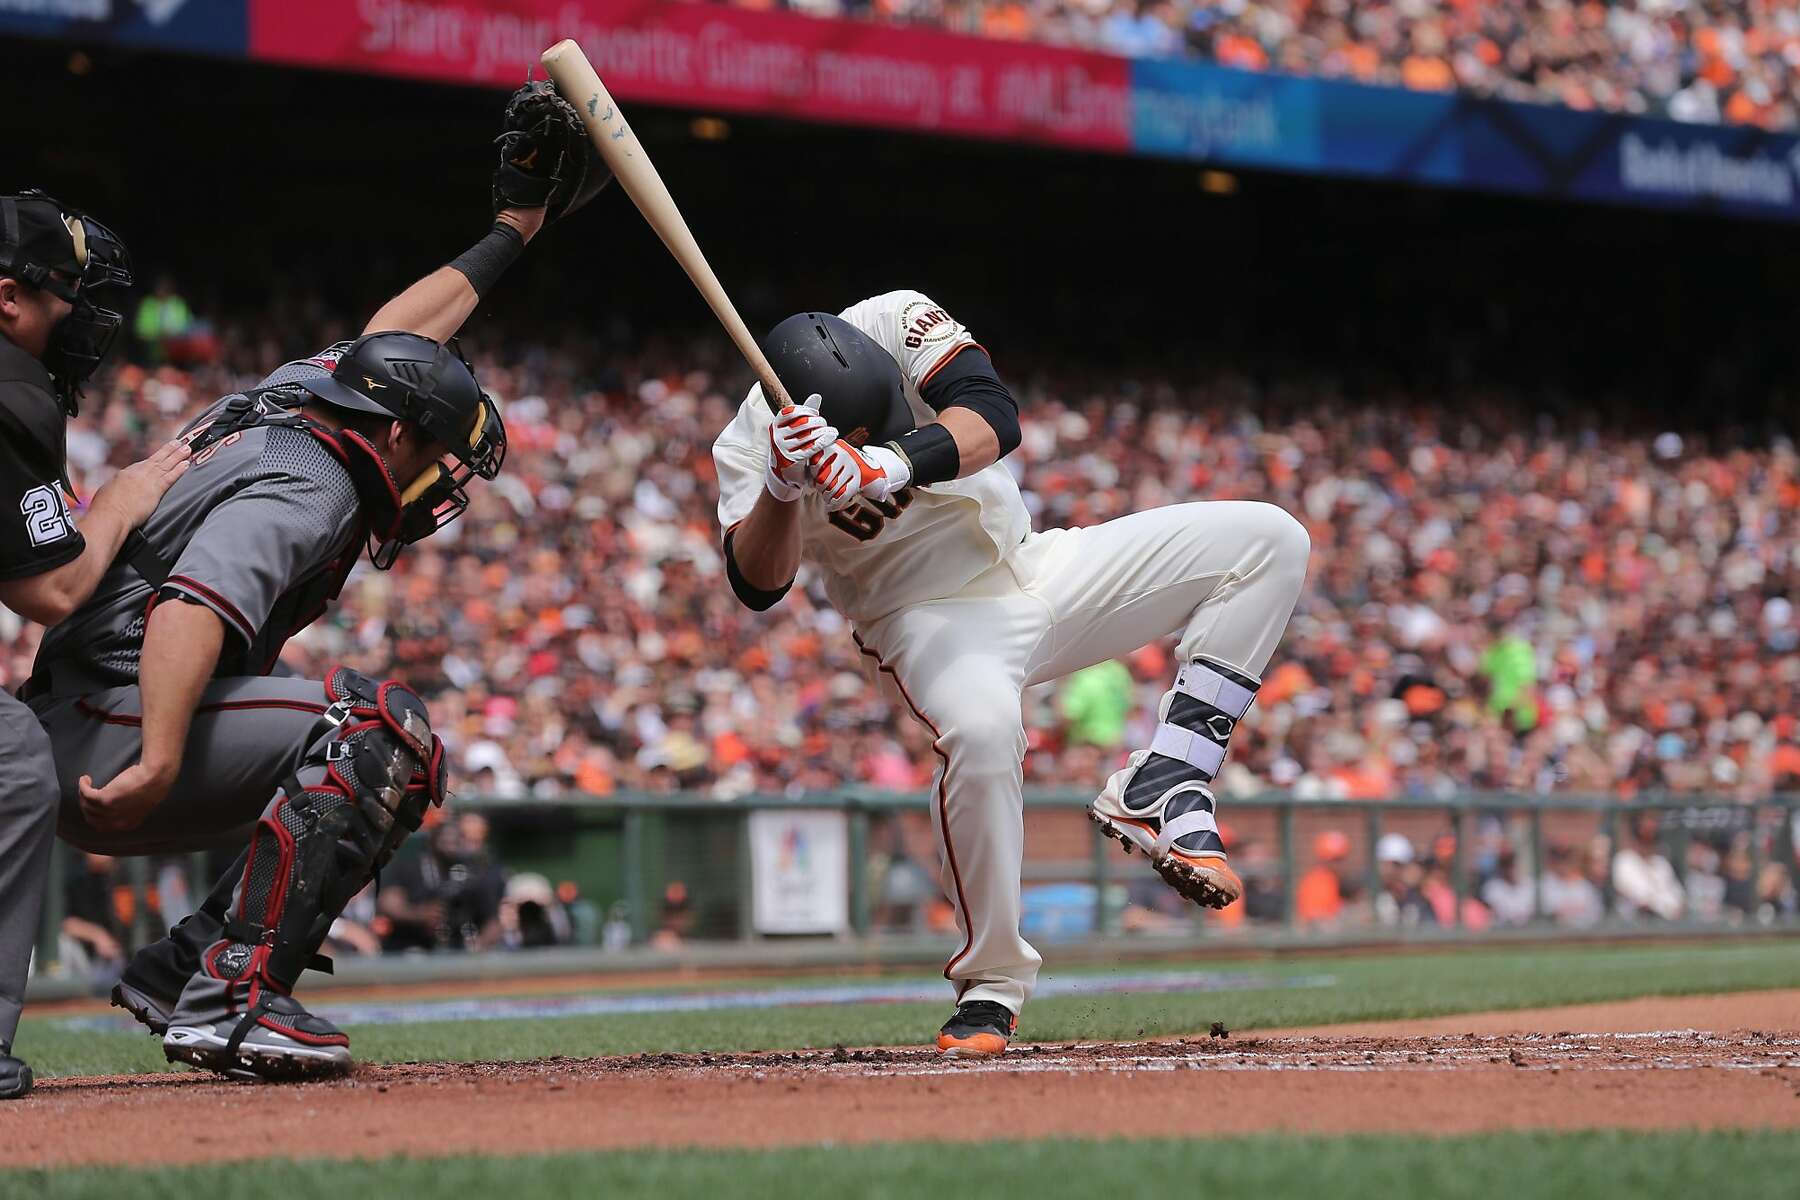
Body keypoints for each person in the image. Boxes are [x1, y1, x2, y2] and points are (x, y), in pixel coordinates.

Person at [21, 82, 609, 1083]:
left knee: (380, 736)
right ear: (393, 434)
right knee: (378, 732)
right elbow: (191, 604)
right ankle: (231, 997)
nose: (439, 486)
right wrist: (160, 759)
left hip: (91, 701)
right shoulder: (316, 483)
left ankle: (184, 969)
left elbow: (400, 335)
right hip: (108, 723)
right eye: (438, 457)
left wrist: (515, 228)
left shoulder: (308, 394)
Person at [714, 292, 1309, 1056]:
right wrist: (782, 487)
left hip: (1036, 562)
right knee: (985, 733)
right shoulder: (747, 443)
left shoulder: (895, 318)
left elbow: (993, 412)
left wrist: (888, 459)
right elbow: (757, 584)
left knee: (1270, 540)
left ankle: (1164, 781)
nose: (906, 413)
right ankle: (992, 981)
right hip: (926, 616)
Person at [0, 190, 191, 1100]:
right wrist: (117, 501)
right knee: (14, 767)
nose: (82, 315)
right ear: (8, 299)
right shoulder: (7, 384)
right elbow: (53, 590)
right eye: (65, 293)